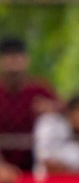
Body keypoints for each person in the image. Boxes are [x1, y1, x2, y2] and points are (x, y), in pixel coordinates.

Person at [0, 37, 58, 175]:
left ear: (26, 59)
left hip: (37, 168)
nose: (13, 60)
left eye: (17, 55)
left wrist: (52, 109)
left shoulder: (39, 90)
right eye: (9, 55)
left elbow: (70, 113)